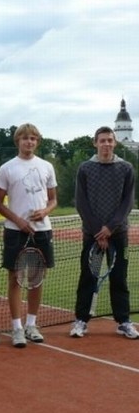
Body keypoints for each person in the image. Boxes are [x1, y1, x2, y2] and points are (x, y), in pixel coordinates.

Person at [70, 126, 139, 339]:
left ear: (115, 143)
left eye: (110, 140)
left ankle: (124, 322)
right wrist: (97, 231)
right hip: (92, 236)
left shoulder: (126, 168)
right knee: (87, 278)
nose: (106, 144)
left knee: (119, 279)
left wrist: (109, 229)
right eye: (102, 140)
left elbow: (127, 202)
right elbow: (81, 203)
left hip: (118, 234)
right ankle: (81, 320)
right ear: (95, 143)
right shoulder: (85, 168)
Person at [0, 123, 58, 348]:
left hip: (42, 231)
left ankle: (32, 325)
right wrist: (19, 221)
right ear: (18, 141)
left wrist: (45, 211)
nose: (29, 142)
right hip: (15, 231)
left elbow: (53, 200)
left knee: (36, 278)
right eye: (25, 138)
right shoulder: (7, 169)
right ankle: (17, 328)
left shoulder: (47, 167)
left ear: (37, 141)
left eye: (33, 138)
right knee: (15, 278)